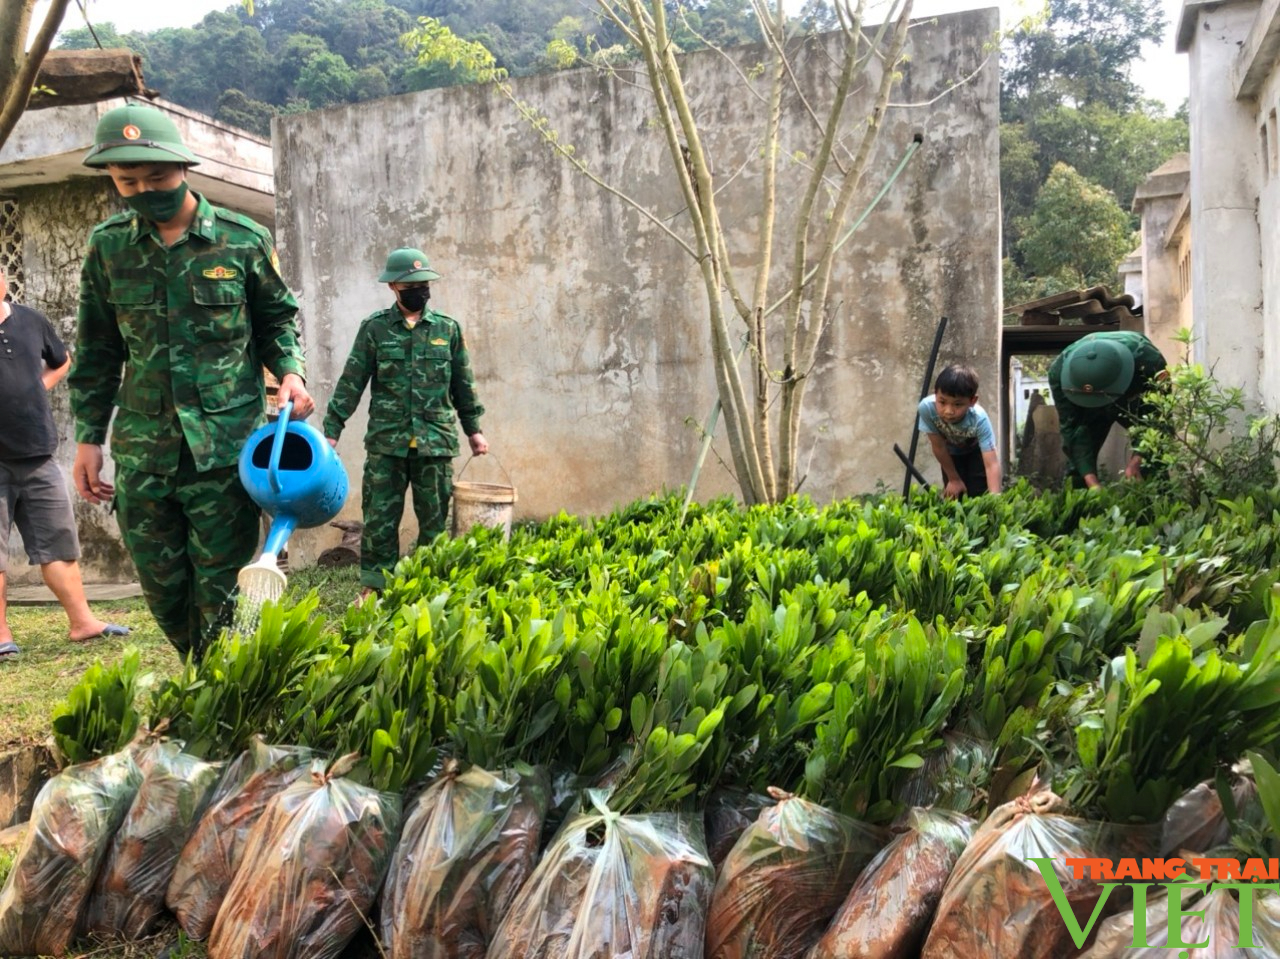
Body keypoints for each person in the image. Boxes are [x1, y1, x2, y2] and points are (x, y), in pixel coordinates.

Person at [68, 102, 314, 660]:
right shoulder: (108, 247)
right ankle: (199, 671)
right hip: (144, 452)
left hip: (224, 452)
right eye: (127, 180)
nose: (143, 189)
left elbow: (276, 320)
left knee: (224, 593)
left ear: (183, 168)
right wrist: (89, 438)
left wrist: (291, 374)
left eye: (156, 176)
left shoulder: (241, 240)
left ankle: (222, 694)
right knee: (163, 589)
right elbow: (98, 350)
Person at [323, 248, 487, 601]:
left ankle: (429, 589)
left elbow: (463, 384)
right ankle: (374, 589)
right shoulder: (375, 329)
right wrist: (333, 429)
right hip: (387, 443)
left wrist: (474, 430)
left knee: (434, 522)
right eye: (411, 283)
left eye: (424, 282)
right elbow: (353, 380)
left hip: (436, 443)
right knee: (380, 520)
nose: (419, 288)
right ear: (394, 286)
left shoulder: (447, 330)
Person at [0, 269, 129, 660]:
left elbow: (63, 359)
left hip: (38, 451)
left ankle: (83, 622)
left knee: (59, 543)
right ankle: (1, 634)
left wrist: (38, 386)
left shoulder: (31, 320)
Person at [1047, 330, 1168, 488]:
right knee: (1077, 466)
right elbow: (1071, 429)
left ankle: (1157, 502)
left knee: (1152, 455)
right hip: (1087, 405)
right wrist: (1091, 482)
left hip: (1132, 394)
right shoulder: (1059, 373)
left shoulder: (1149, 361)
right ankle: (1081, 503)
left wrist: (1138, 459)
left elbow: (1158, 418)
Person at [916, 364, 1002, 498]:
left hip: (976, 452)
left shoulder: (979, 419)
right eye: (942, 402)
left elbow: (991, 464)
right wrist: (953, 479)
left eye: (957, 404)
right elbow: (939, 447)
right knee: (954, 494)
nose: (948, 411)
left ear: (972, 401)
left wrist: (995, 499)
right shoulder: (927, 409)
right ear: (935, 394)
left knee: (979, 493)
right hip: (951, 452)